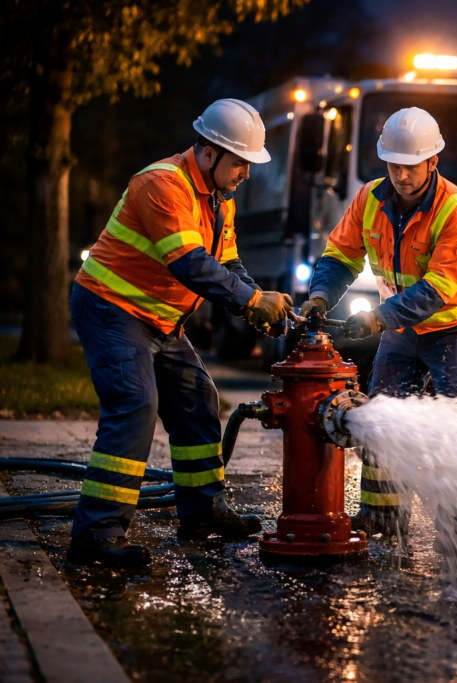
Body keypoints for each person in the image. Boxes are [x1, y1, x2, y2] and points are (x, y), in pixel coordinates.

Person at [68, 99, 294, 567]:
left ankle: (203, 514)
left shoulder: (217, 198)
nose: (245, 175)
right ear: (209, 153)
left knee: (197, 401)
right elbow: (189, 263)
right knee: (135, 405)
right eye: (240, 163)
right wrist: (253, 302)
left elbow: (226, 262)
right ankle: (96, 537)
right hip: (112, 309)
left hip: (159, 318)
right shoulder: (161, 184)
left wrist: (257, 301)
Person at [300, 107, 457, 536]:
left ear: (432, 162)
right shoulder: (369, 198)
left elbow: (438, 289)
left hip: (455, 329)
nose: (401, 175)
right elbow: (340, 255)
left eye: (410, 167)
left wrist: (379, 318)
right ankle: (382, 517)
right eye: (393, 165)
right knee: (381, 420)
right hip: (401, 330)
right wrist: (319, 296)